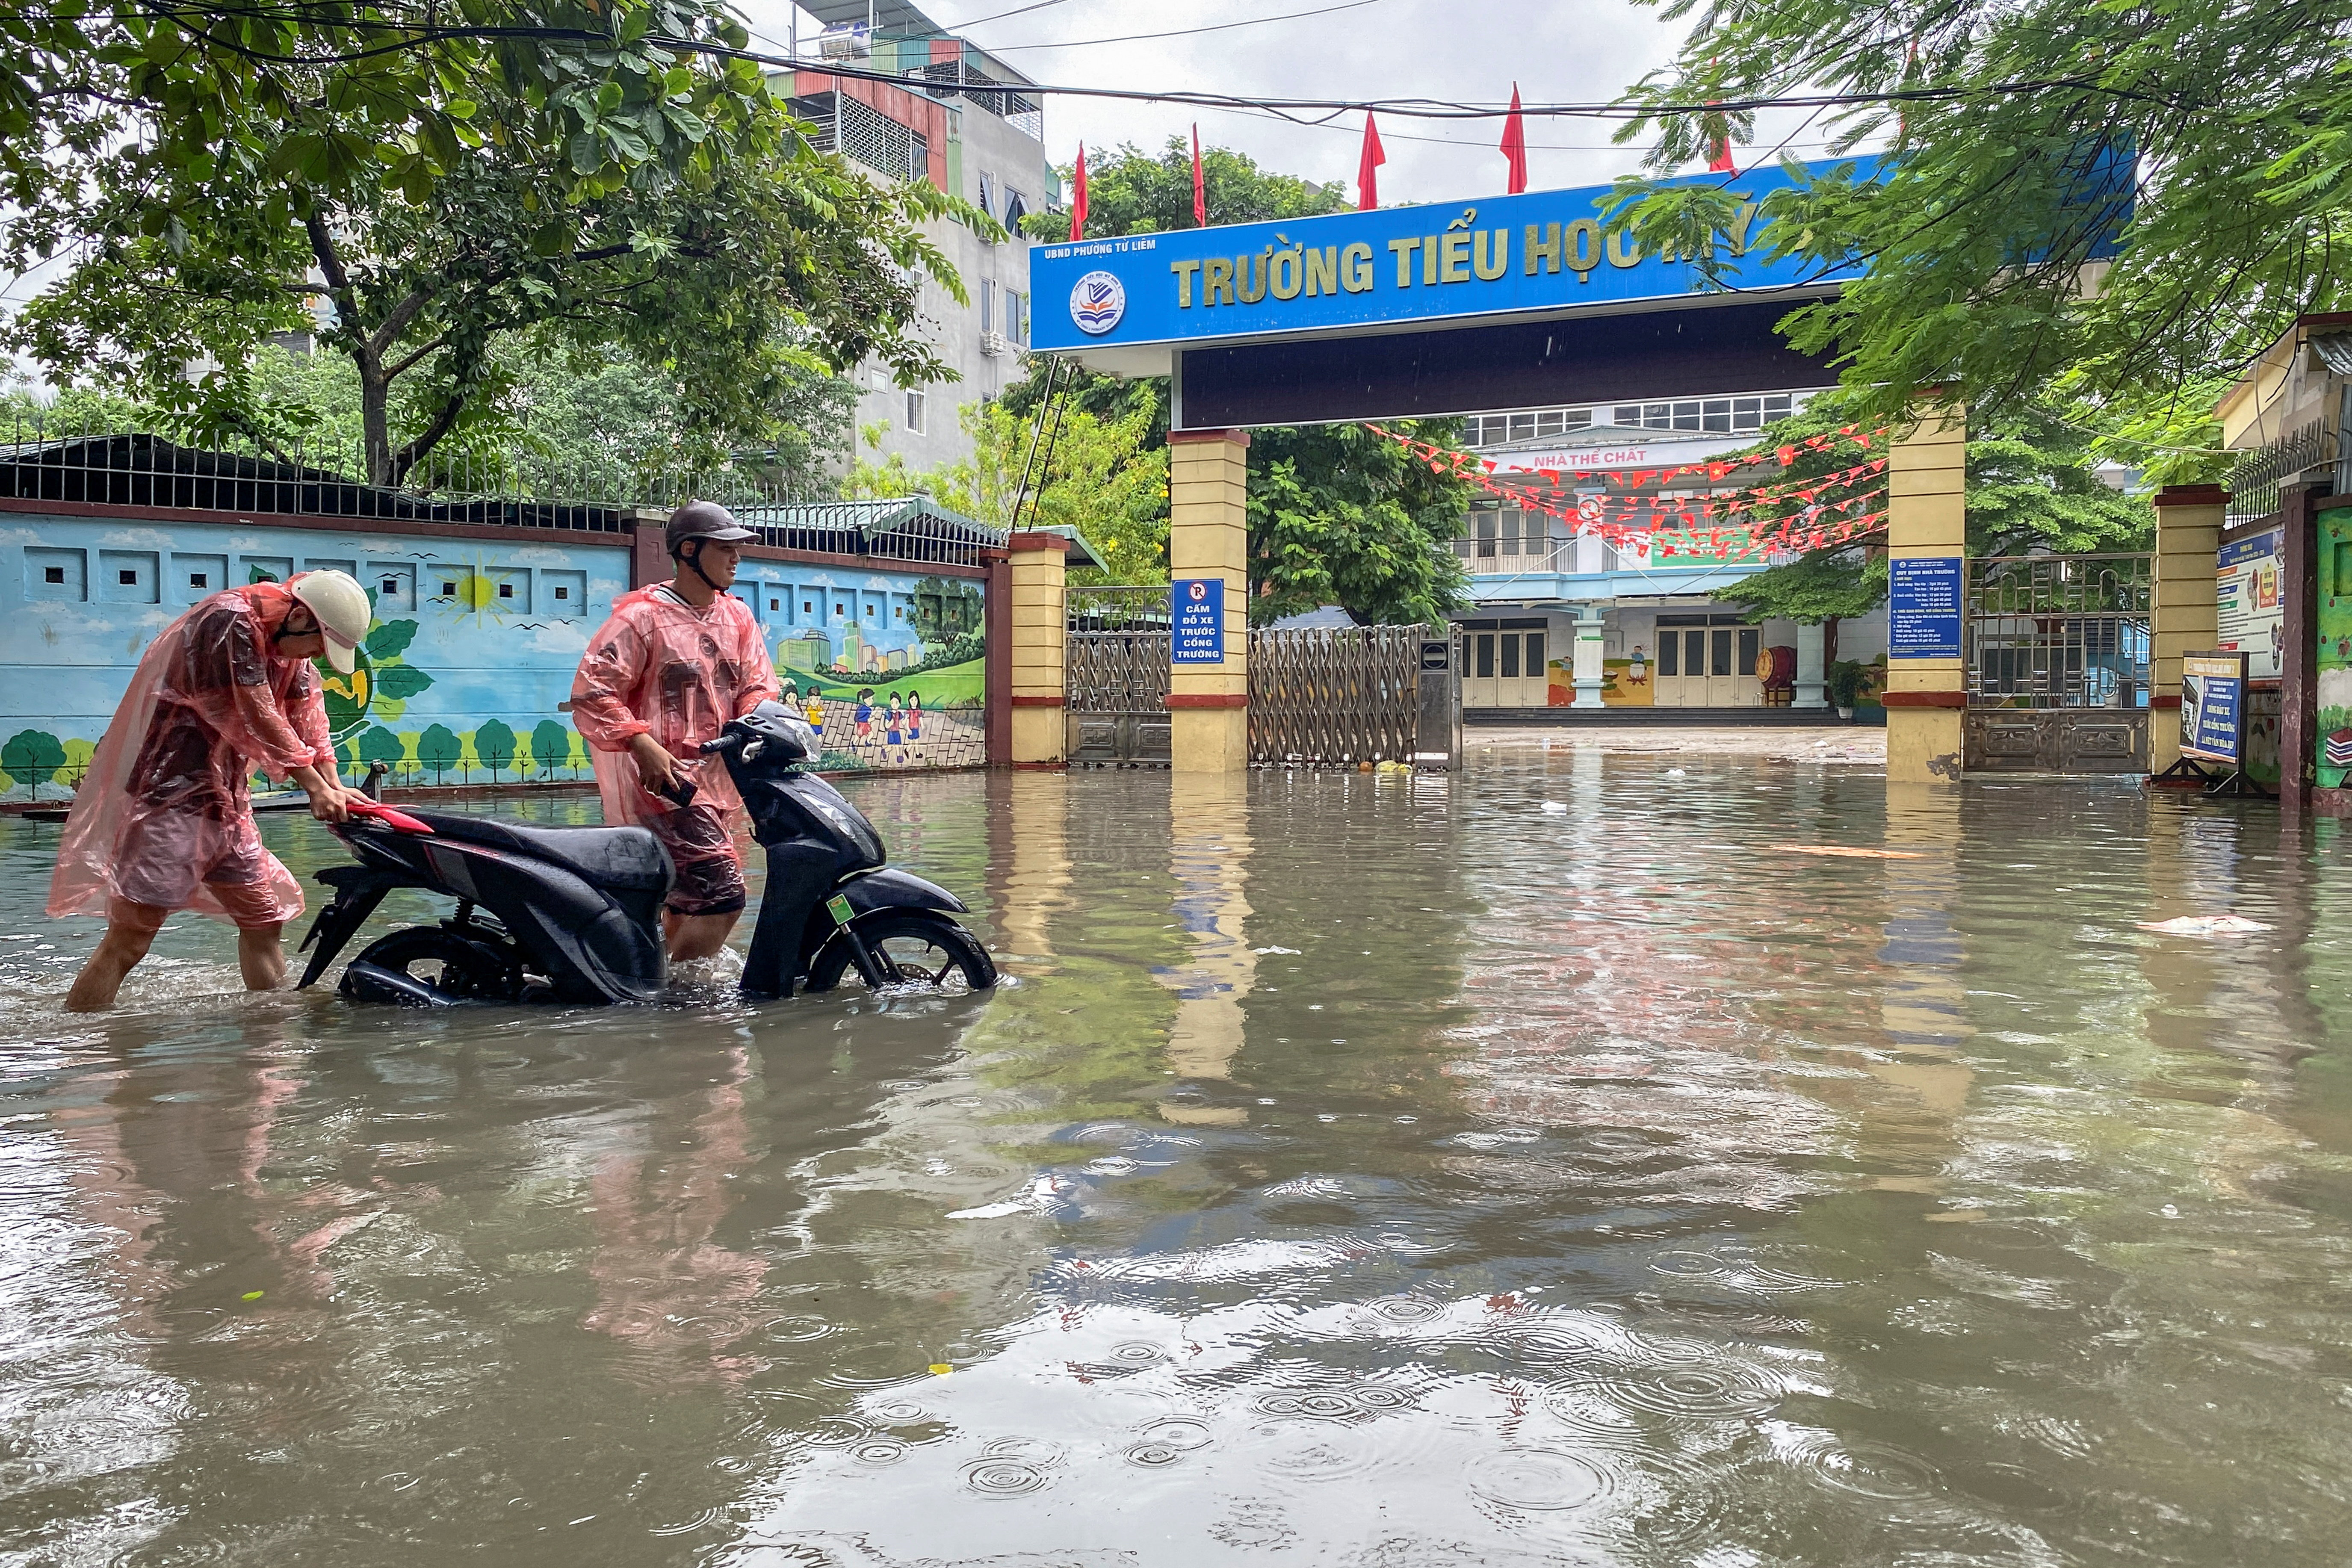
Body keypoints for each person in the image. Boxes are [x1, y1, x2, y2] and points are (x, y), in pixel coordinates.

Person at [51, 570, 371, 1011]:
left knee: (263, 921)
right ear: (299, 617)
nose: (316, 656)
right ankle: (81, 1042)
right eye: (318, 644)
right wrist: (314, 787)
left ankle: (268, 1043)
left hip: (227, 806)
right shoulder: (229, 621)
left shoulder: (287, 648)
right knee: (130, 940)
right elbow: (256, 712)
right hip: (165, 804)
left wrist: (336, 786)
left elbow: (308, 717)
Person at [571, 500, 780, 963]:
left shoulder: (738, 618)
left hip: (722, 778)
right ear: (689, 550)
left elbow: (758, 684)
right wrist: (640, 741)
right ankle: (679, 1000)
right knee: (722, 895)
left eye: (737, 548)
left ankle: (654, 977)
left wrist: (757, 723)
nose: (735, 558)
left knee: (687, 898)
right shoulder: (640, 619)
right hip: (662, 784)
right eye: (724, 548)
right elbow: (593, 692)